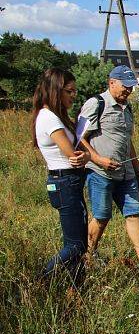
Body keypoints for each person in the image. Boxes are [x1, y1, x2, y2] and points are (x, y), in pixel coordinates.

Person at [79, 65, 139, 275]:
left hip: (127, 175)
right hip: (101, 173)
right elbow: (79, 137)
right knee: (102, 216)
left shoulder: (127, 109)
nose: (128, 91)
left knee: (134, 214)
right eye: (125, 87)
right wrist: (98, 159)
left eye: (131, 88)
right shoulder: (96, 104)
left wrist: (138, 168)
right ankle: (88, 255)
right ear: (111, 82)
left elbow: (127, 141)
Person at [32, 68, 90, 285]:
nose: (73, 96)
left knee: (77, 242)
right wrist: (84, 156)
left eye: (75, 91)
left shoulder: (57, 116)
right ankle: (41, 280)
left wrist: (84, 156)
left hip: (68, 182)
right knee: (76, 245)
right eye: (69, 91)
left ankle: (76, 287)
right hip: (64, 182)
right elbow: (73, 156)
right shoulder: (48, 118)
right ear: (55, 90)